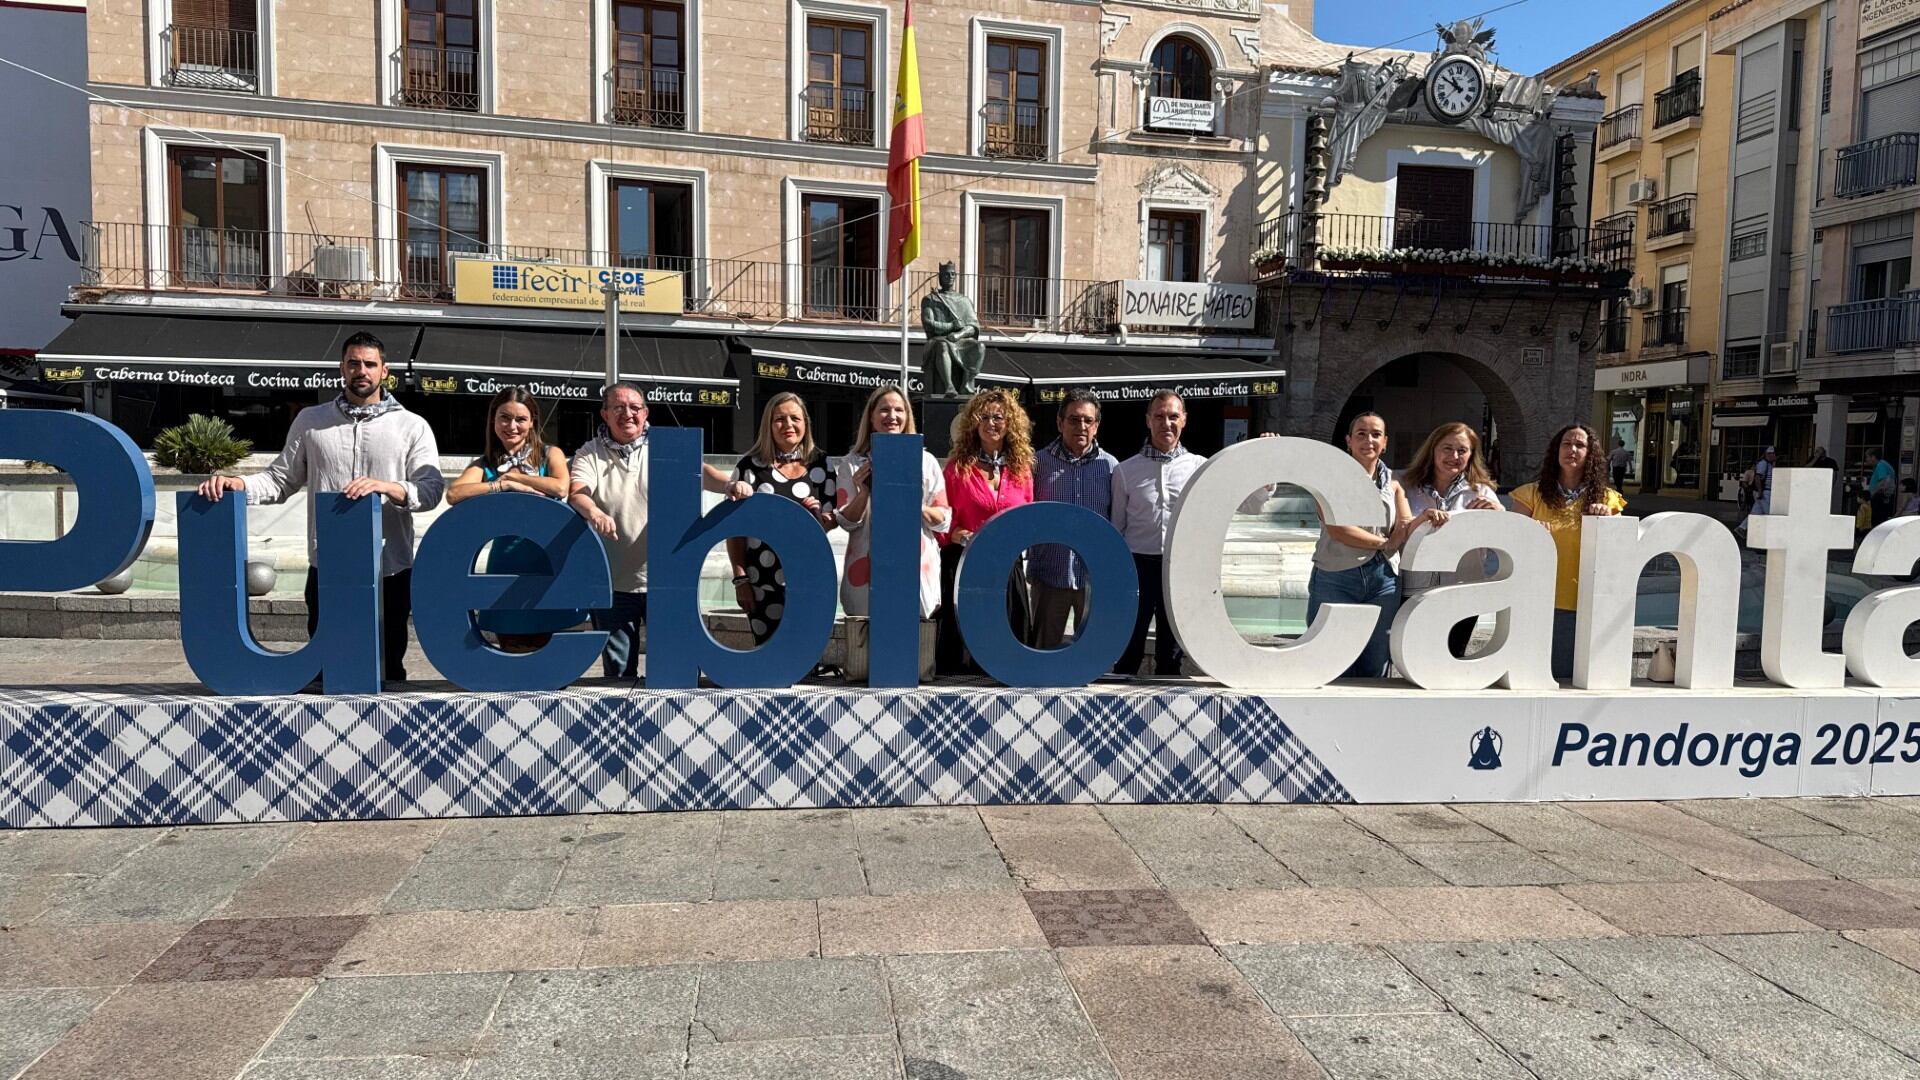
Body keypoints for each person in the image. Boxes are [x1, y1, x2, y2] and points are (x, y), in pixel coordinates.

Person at [196, 331, 444, 686]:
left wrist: (387, 487)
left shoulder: (411, 426)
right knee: (325, 671)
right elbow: (281, 480)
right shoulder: (311, 421)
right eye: (354, 363)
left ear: (384, 371)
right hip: (328, 566)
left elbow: (431, 490)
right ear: (341, 368)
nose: (362, 371)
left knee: (387, 672)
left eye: (370, 364)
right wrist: (241, 484)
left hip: (389, 569)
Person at [569, 383, 746, 679]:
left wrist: (729, 485)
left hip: (665, 580)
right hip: (613, 582)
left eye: (635, 407)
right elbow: (578, 492)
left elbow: (702, 473)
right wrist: (595, 512)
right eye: (619, 407)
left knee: (674, 671)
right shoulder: (590, 453)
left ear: (646, 412)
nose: (628, 413)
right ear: (604, 414)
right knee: (619, 672)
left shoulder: (665, 447)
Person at [446, 387, 573, 652]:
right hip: (504, 564)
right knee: (512, 652)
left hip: (546, 562)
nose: (511, 426)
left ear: (532, 423)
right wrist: (500, 486)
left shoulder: (551, 455)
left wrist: (517, 478)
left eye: (520, 419)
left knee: (549, 656)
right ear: (493, 420)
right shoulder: (484, 464)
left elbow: (561, 487)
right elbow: (454, 493)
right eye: (504, 417)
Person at [1304, 412, 1421, 681]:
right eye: (1361, 434)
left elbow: (1404, 525)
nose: (1369, 440)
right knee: (1329, 662)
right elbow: (1337, 528)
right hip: (1336, 577)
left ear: (1385, 442)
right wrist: (1385, 543)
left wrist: (1423, 519)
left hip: (1384, 581)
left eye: (1376, 434)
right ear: (1348, 441)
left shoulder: (1393, 484)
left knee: (1375, 664)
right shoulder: (1329, 479)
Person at [1509, 422, 1627, 681]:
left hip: (1584, 603)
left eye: (1580, 445)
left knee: (1570, 681)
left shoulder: (1608, 500)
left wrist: (1608, 521)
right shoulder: (1529, 495)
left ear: (1591, 454)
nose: (1572, 449)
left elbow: (1619, 553)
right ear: (1555, 450)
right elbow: (1512, 541)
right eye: (1566, 443)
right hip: (1538, 601)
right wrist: (1529, 531)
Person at [938, 387, 1035, 673]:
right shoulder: (958, 468)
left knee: (1008, 648)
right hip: (965, 564)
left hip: (1007, 565)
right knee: (964, 650)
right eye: (985, 417)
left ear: (1010, 424)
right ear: (973, 423)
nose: (992, 423)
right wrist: (954, 533)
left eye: (999, 417)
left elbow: (1029, 516)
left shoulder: (1022, 470)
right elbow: (942, 516)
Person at [833, 384, 950, 621]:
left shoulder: (926, 462)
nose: (892, 416)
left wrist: (908, 500)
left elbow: (943, 519)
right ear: (872, 417)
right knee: (867, 650)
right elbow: (846, 521)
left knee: (913, 647)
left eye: (899, 410)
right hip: (866, 570)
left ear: (907, 417)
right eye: (884, 410)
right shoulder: (852, 464)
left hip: (916, 568)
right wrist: (864, 492)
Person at [730, 392, 836, 647]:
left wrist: (818, 516)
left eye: (794, 418)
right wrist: (740, 578)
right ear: (768, 424)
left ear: (805, 424)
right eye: (780, 419)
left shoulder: (822, 465)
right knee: (768, 652)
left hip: (808, 576)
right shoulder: (750, 466)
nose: (788, 425)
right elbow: (734, 530)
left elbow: (831, 522)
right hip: (761, 578)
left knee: (805, 653)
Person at [1400, 422, 1502, 659]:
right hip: (1416, 587)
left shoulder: (1482, 493)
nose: (1454, 456)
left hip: (1462, 589)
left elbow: (1503, 542)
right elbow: (1398, 534)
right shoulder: (1407, 488)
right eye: (1447, 448)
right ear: (1433, 450)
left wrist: (1499, 514)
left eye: (1462, 451)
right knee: (1413, 657)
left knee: (1452, 657)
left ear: (1471, 455)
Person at [1029, 390, 1117, 650]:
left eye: (1088, 421)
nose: (1081, 426)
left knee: (1094, 655)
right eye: (1074, 419)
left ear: (1097, 426)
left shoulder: (1111, 468)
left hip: (1094, 577)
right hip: (1050, 574)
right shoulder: (1037, 465)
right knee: (1041, 654)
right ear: (1059, 423)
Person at [1868, 448, 1898, 527]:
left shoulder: (1881, 465)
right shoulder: (1884, 465)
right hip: (1882, 497)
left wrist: (1872, 494)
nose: (1866, 460)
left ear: (1873, 457)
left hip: (1879, 497)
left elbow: (1882, 482)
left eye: (1867, 457)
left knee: (1877, 520)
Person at [1752, 446, 1777, 516]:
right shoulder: (1763, 463)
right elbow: (1757, 477)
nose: (1775, 456)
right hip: (1764, 492)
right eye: (1774, 454)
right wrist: (1760, 491)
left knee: (1756, 513)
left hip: (1764, 491)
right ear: (1769, 454)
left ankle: (1742, 527)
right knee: (1768, 512)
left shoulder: (1769, 464)